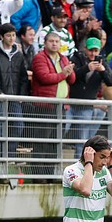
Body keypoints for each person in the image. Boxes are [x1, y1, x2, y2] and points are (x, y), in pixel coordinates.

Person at [30, 32, 75, 178]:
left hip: (60, 107)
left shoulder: (63, 58)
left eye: (57, 41)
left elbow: (72, 80)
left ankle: (50, 175)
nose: (54, 44)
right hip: (45, 106)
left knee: (55, 144)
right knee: (42, 142)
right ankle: (38, 176)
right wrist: (64, 73)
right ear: (45, 42)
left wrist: (69, 71)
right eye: (51, 41)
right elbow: (44, 78)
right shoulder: (39, 58)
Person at [0, 23, 29, 158]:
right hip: (0, 96)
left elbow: (23, 76)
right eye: (8, 35)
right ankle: (1, 156)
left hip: (15, 96)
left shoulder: (19, 54)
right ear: (2, 37)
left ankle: (11, 154)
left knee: (18, 124)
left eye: (13, 35)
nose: (11, 38)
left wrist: (21, 95)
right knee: (0, 127)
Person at [67, 36, 112, 152]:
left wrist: (103, 71)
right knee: (61, 130)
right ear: (85, 49)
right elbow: (72, 77)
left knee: (82, 140)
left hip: (86, 106)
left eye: (96, 50)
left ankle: (81, 168)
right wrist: (86, 68)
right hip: (70, 102)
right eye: (90, 50)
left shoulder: (102, 61)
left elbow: (111, 82)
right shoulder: (77, 57)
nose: (93, 53)